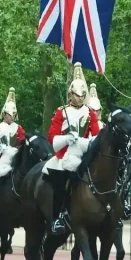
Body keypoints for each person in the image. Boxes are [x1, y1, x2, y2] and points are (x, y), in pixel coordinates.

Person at [44, 63, 100, 236]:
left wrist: (86, 142)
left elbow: (96, 135)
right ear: (70, 95)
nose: (80, 98)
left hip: (83, 153)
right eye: (77, 95)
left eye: (82, 95)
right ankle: (59, 216)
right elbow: (52, 137)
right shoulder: (61, 112)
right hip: (64, 155)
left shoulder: (90, 113)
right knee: (61, 180)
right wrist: (66, 138)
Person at [0, 88, 26, 179]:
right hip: (0, 156)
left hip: (15, 155)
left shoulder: (19, 128)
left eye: (14, 115)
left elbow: (23, 142)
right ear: (4, 114)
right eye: (10, 115)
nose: (12, 117)